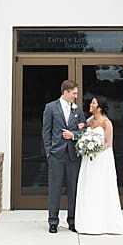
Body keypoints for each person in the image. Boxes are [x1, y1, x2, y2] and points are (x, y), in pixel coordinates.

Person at [72, 97, 123, 235]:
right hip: (89, 160)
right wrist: (83, 143)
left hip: (102, 159)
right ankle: (89, 221)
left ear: (100, 107)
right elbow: (82, 132)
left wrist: (93, 148)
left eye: (94, 103)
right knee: (89, 187)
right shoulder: (89, 121)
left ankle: (105, 222)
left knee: (101, 187)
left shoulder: (107, 123)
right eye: (91, 102)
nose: (91, 104)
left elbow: (108, 143)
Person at [42, 79, 86, 234]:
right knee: (54, 189)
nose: (76, 96)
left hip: (73, 155)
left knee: (73, 188)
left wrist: (73, 135)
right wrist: (49, 151)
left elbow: (84, 130)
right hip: (56, 155)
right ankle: (53, 221)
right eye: (74, 93)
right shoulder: (50, 107)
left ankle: (72, 221)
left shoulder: (77, 110)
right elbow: (46, 131)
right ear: (66, 92)